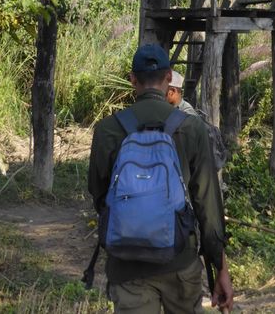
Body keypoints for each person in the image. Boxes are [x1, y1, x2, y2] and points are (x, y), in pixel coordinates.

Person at [89, 44, 234, 313]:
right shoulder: (191, 127)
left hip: (126, 265)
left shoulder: (108, 129)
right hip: (179, 261)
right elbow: (208, 206)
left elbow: (99, 195)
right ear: (169, 77)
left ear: (132, 78)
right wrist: (220, 268)